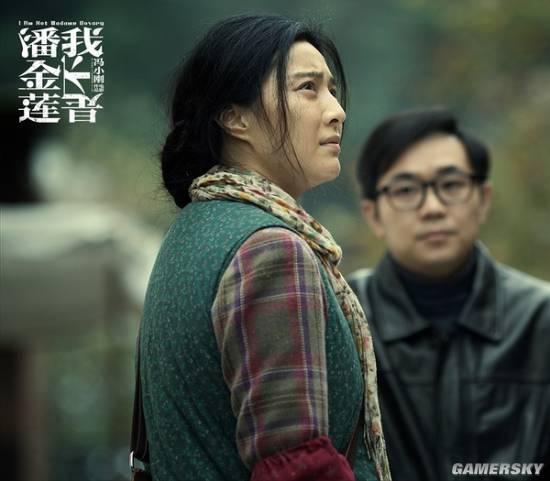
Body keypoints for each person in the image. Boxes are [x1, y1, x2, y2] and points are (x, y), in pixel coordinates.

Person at [135, 14, 392, 481]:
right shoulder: (271, 252)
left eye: (332, 90)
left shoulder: (193, 231)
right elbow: (297, 468)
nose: (337, 110)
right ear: (235, 117)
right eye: (308, 88)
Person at [348, 108, 550, 481]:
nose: (433, 208)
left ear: (483, 199)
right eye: (406, 190)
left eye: (452, 185)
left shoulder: (539, 318)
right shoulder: (345, 319)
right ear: (373, 214)